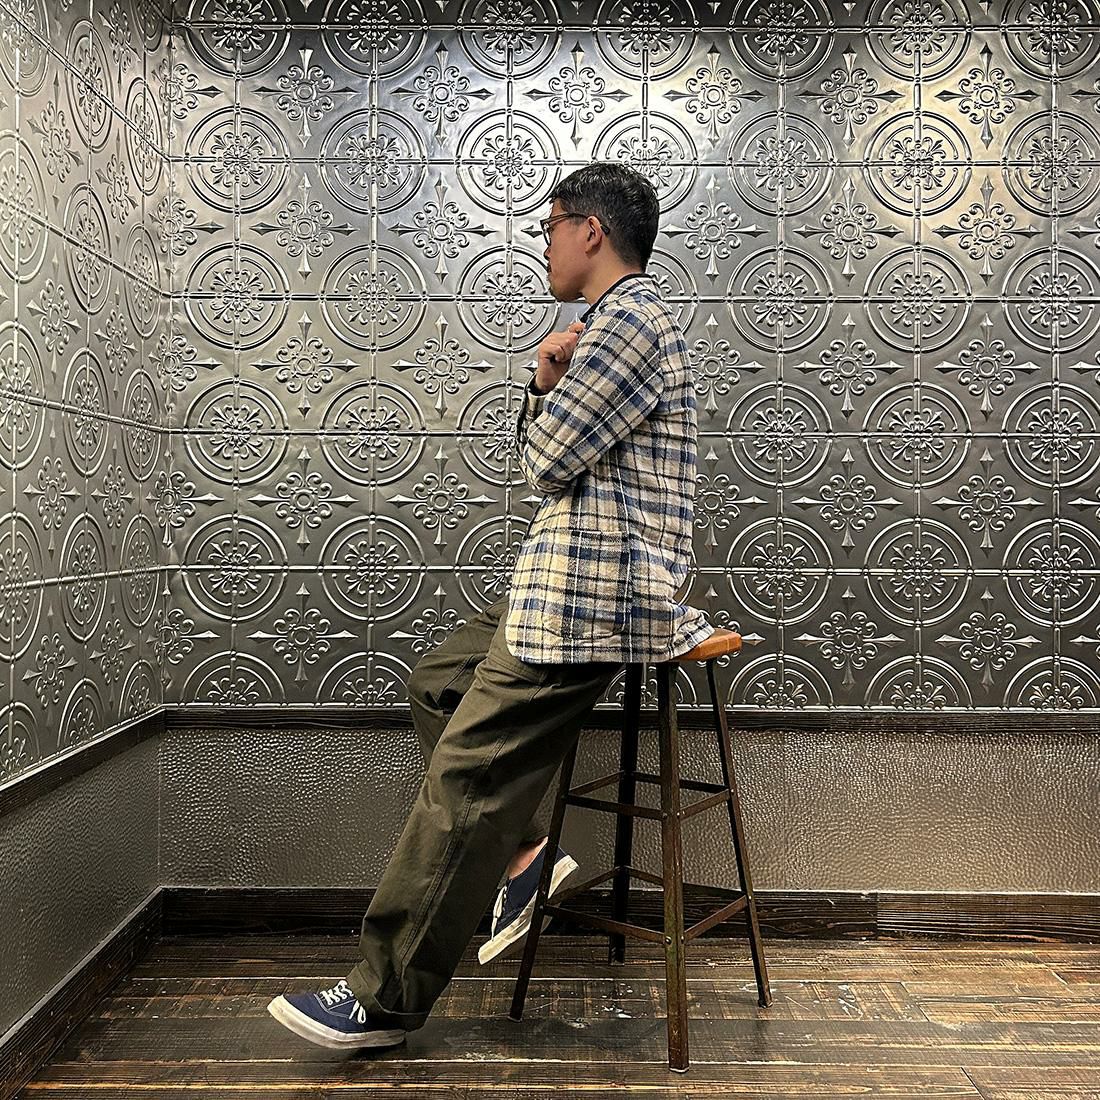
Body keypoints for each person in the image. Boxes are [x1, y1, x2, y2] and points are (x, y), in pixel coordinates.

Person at [267, 161, 714, 1050]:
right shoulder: (611, 326)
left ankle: (382, 999)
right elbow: (556, 457)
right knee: (438, 680)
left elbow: (545, 465)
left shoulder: (628, 321)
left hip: (597, 598)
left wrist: (545, 383)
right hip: (566, 585)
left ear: (590, 230)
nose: (544, 245)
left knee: (467, 779)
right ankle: (525, 857)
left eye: (550, 227)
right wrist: (548, 381)